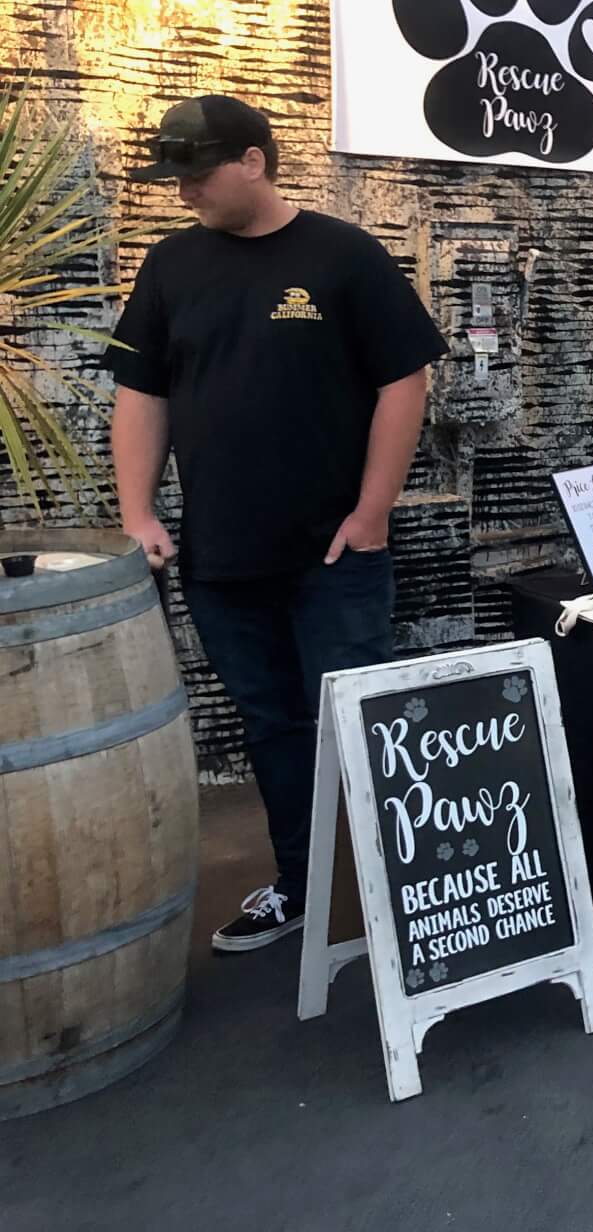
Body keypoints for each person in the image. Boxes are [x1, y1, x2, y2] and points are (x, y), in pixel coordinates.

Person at [110, 97, 448, 953]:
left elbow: (404, 381)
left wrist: (371, 514)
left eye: (197, 173)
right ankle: (300, 883)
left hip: (334, 555)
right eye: (175, 177)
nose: (184, 191)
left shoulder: (342, 255)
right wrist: (139, 512)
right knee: (273, 728)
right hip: (222, 557)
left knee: (364, 726)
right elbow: (141, 392)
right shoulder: (171, 265)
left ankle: (418, 897)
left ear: (254, 161)